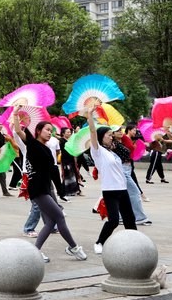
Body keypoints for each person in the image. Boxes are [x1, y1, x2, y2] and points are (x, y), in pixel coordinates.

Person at [12, 112, 87, 262]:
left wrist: (61, 191)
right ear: (38, 131)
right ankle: (73, 247)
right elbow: (19, 131)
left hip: (45, 187)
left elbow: (53, 171)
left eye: (51, 130)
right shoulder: (32, 144)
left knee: (51, 222)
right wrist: (16, 114)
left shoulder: (47, 149)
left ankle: (35, 251)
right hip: (37, 188)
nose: (50, 132)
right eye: (47, 129)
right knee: (59, 216)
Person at [87, 108, 136, 254]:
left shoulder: (112, 152)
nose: (111, 137)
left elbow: (128, 151)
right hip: (110, 190)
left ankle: (134, 242)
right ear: (101, 137)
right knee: (114, 220)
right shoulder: (98, 151)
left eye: (111, 135)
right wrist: (90, 116)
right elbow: (93, 132)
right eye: (108, 135)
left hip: (122, 189)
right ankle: (99, 242)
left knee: (130, 219)